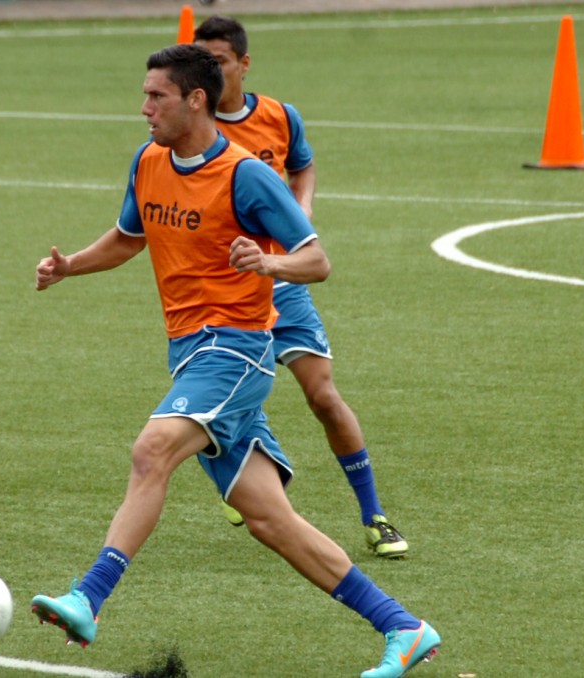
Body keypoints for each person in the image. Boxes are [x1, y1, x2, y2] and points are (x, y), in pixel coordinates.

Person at [30, 43, 440, 678]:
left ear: (195, 99)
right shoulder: (148, 160)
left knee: (152, 450)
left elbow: (317, 260)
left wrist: (268, 261)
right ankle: (404, 627)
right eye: (144, 95)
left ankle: (89, 597)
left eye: (157, 96)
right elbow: (130, 238)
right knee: (270, 521)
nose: (144, 108)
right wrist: (70, 267)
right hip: (190, 354)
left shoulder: (246, 175)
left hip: (236, 351)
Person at [194, 15, 408, 558]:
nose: (209, 72)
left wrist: (301, 209)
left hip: (281, 281)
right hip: (221, 295)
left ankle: (375, 515)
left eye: (218, 61)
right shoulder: (192, 128)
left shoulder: (279, 117)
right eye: (200, 62)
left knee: (323, 396)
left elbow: (303, 167)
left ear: (244, 63)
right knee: (223, 402)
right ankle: (247, 477)